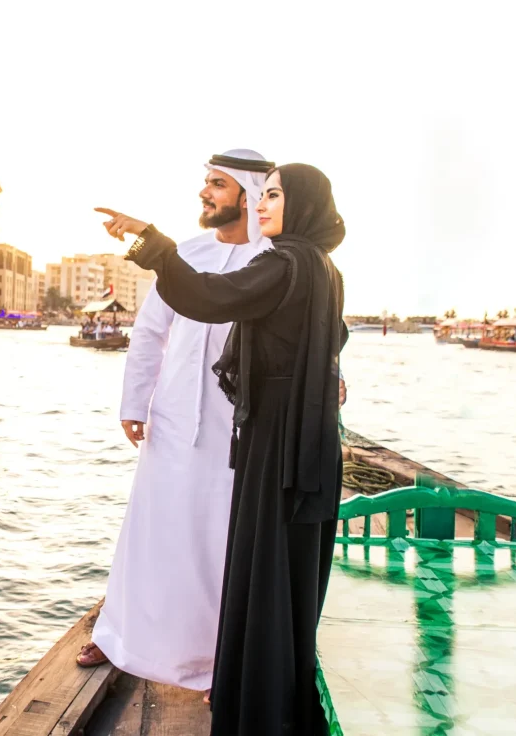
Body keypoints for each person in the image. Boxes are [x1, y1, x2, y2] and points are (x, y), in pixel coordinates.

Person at [97, 163, 347, 735]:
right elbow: (328, 341)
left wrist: (149, 243)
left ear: (297, 205)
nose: (263, 205)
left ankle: (249, 696)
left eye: (275, 195)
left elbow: (209, 298)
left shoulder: (283, 261)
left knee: (257, 563)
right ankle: (263, 682)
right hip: (301, 436)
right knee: (281, 570)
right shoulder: (321, 266)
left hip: (273, 437)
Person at [78, 150, 275, 696]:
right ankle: (119, 636)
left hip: (236, 427)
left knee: (220, 541)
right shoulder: (185, 253)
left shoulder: (275, 258)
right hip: (170, 419)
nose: (204, 193)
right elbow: (150, 333)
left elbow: (307, 330)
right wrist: (135, 401)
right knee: (149, 530)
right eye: (205, 183)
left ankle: (219, 660)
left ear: (249, 193)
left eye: (217, 184)